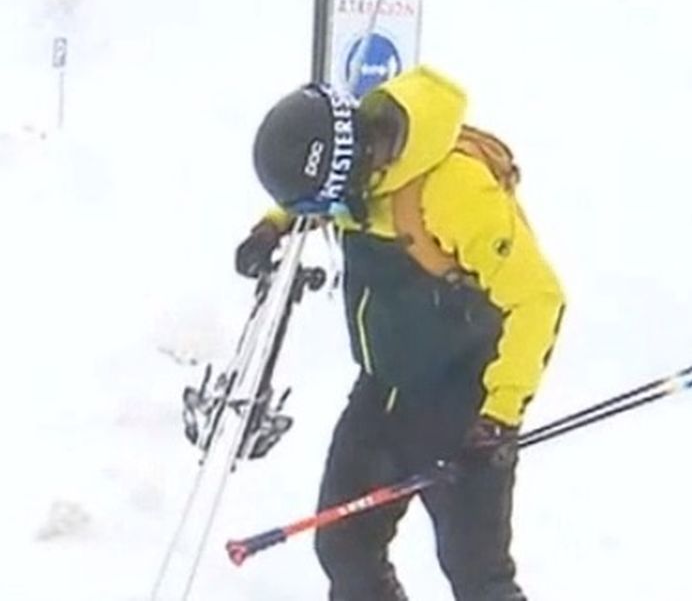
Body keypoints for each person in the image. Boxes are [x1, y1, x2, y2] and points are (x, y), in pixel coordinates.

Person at [235, 65, 565, 601]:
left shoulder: (452, 190)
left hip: (464, 406)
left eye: (318, 205)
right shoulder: (353, 169)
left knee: (477, 575)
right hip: (384, 387)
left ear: (349, 167)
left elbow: (538, 298)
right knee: (343, 546)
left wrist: (500, 416)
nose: (323, 216)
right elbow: (315, 188)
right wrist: (272, 225)